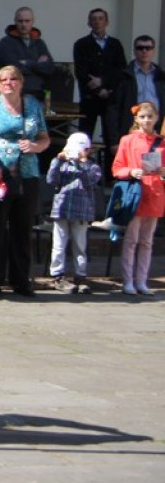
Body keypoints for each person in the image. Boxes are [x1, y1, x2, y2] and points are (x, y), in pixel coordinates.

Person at [0, 65, 50, 298]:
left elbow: (44, 138)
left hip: (27, 174)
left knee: (22, 229)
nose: (8, 83)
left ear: (21, 82)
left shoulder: (33, 105)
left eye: (13, 79)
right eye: (3, 79)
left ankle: (21, 280)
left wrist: (36, 146)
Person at [110, 102, 164, 296]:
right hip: (135, 193)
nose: (147, 120)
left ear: (156, 118)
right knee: (132, 239)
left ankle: (142, 280)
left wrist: (162, 172)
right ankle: (128, 281)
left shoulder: (162, 142)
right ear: (136, 119)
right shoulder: (127, 140)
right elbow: (117, 168)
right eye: (143, 117)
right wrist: (132, 171)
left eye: (150, 117)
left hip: (155, 193)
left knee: (147, 241)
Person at [46, 132, 101, 294]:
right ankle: (57, 275)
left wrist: (82, 163)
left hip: (82, 212)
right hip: (61, 211)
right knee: (59, 244)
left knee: (80, 245)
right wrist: (58, 160)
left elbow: (90, 180)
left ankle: (81, 275)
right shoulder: (62, 165)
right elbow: (51, 180)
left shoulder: (93, 167)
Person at [73, 8, 126, 140]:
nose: (97, 22)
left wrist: (103, 82)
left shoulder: (115, 44)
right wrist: (97, 90)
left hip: (111, 96)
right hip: (89, 97)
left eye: (100, 18)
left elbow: (121, 70)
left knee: (111, 135)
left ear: (107, 22)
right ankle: (83, 161)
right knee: (84, 136)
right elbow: (81, 72)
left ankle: (110, 161)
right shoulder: (81, 44)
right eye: (94, 19)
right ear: (89, 23)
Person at [105, 36, 165, 152]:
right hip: (131, 130)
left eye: (148, 48)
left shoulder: (160, 76)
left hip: (157, 131)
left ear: (154, 51)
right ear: (134, 51)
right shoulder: (123, 76)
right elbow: (113, 109)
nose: (144, 51)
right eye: (140, 48)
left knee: (155, 168)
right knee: (133, 167)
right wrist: (114, 140)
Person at [0, 6, 55, 100]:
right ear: (15, 21)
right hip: (15, 94)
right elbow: (12, 69)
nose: (24, 24)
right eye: (20, 21)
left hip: (39, 94)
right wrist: (38, 64)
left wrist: (28, 63)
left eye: (27, 21)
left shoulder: (39, 43)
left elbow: (50, 68)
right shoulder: (6, 42)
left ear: (33, 21)